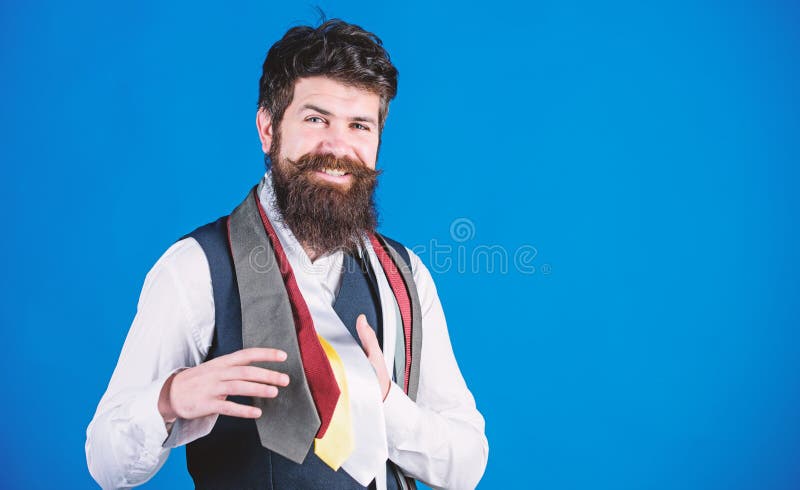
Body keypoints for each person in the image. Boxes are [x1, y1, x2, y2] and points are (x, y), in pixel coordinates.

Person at [85, 19, 488, 490]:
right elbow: (105, 463)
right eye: (315, 119)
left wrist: (384, 404)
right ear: (268, 128)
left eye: (359, 125)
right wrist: (168, 399)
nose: (338, 147)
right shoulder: (195, 268)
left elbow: (466, 466)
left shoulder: (406, 276)